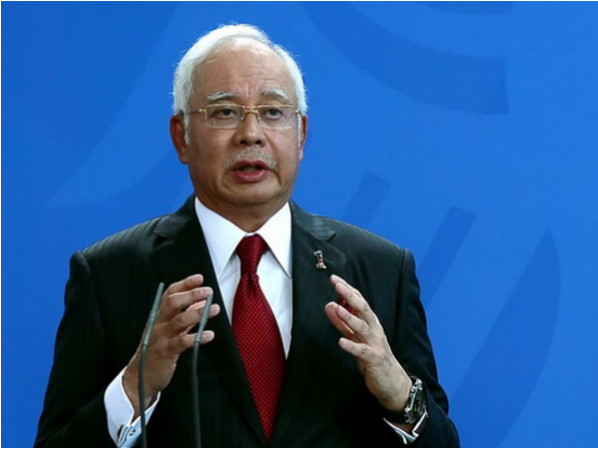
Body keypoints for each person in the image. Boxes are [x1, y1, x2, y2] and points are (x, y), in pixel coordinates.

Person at [35, 23, 459, 447]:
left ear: (301, 135)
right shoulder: (110, 273)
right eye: (225, 112)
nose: (251, 133)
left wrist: (400, 396)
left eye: (273, 112)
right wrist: (133, 387)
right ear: (181, 136)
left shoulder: (381, 268)